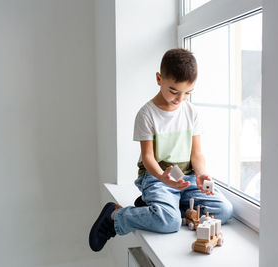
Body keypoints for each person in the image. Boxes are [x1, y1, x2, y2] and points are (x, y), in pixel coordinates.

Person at [89, 48, 233, 252]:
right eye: (174, 91)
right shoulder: (146, 114)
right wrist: (162, 177)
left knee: (225, 211)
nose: (180, 99)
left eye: (187, 93)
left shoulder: (191, 112)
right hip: (157, 178)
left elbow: (197, 153)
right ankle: (115, 216)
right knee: (171, 222)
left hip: (187, 179)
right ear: (159, 79)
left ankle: (159, 207)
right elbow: (148, 157)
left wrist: (201, 174)